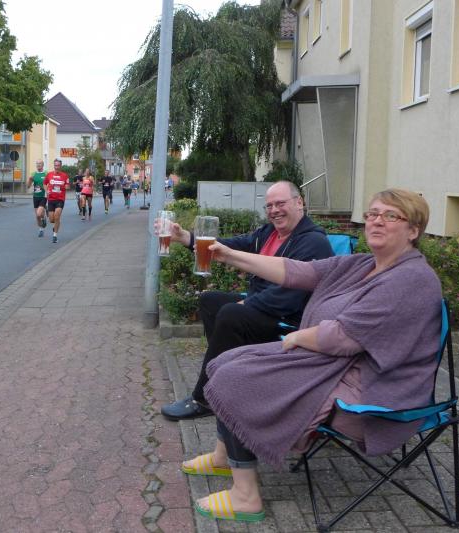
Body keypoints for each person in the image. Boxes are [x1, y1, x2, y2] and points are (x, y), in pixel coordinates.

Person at [181, 189, 441, 524]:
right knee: (226, 361)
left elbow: (343, 338)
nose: (377, 221)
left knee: (236, 377)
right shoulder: (364, 265)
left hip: (372, 389)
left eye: (391, 216)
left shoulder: (413, 278)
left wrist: (298, 336)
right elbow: (299, 272)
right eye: (373, 213)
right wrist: (228, 255)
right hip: (333, 364)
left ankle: (245, 497)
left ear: (413, 230)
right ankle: (224, 457)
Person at [160, 181, 333, 420]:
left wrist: (247, 304)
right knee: (210, 300)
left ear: (299, 202)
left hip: (291, 319)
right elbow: (229, 246)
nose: (274, 210)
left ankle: (204, 399)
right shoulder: (268, 233)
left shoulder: (313, 242)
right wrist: (184, 237)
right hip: (266, 308)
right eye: (269, 206)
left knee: (231, 313)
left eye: (280, 203)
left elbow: (290, 296)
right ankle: (229, 371)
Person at [43, 159, 69, 244]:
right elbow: (44, 183)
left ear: (60, 166)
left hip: (60, 199)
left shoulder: (65, 176)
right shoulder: (49, 174)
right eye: (55, 165)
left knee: (57, 216)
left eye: (58, 165)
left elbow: (68, 186)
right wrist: (46, 190)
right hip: (51, 199)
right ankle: (54, 221)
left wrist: (64, 186)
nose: (56, 167)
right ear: (54, 166)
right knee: (52, 220)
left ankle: (55, 236)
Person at [26, 159, 47, 237]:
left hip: (43, 196)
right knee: (38, 216)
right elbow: (28, 186)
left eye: (40, 163)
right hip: (35, 196)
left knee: (39, 213)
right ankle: (41, 229)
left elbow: (50, 184)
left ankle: (43, 220)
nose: (38, 165)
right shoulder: (33, 174)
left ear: (43, 165)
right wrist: (29, 180)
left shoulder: (46, 173)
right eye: (37, 163)